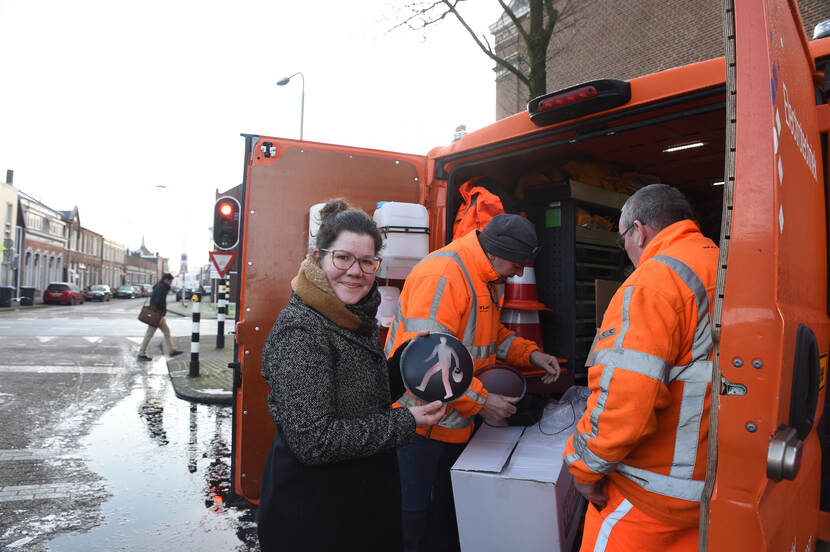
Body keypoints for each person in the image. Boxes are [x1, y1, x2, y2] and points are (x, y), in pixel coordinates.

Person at [257, 199, 444, 552]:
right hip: (314, 518)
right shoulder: (302, 329)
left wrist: (408, 360)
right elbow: (314, 440)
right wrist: (407, 422)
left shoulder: (354, 317)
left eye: (367, 261)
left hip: (359, 506)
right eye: (343, 258)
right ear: (318, 258)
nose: (355, 271)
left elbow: (360, 396)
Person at [384, 213, 562, 551]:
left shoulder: (486, 276)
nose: (521, 272)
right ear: (495, 251)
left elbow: (490, 336)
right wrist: (483, 402)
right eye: (517, 263)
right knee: (412, 518)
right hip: (418, 427)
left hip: (453, 421)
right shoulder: (444, 275)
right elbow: (426, 361)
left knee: (445, 517)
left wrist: (530, 354)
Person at [563, 184, 718, 552]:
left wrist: (584, 469)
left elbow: (626, 400)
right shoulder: (727, 264)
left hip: (649, 497)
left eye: (622, 242)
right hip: (712, 494)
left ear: (639, 231)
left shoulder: (653, 281)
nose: (627, 254)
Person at [137, 273, 182, 361]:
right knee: (149, 334)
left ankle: (171, 350)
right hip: (157, 315)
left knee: (167, 331)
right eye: (170, 281)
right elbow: (158, 301)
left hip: (158, 314)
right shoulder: (161, 288)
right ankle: (141, 353)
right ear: (166, 280)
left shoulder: (160, 286)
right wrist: (161, 311)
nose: (171, 283)